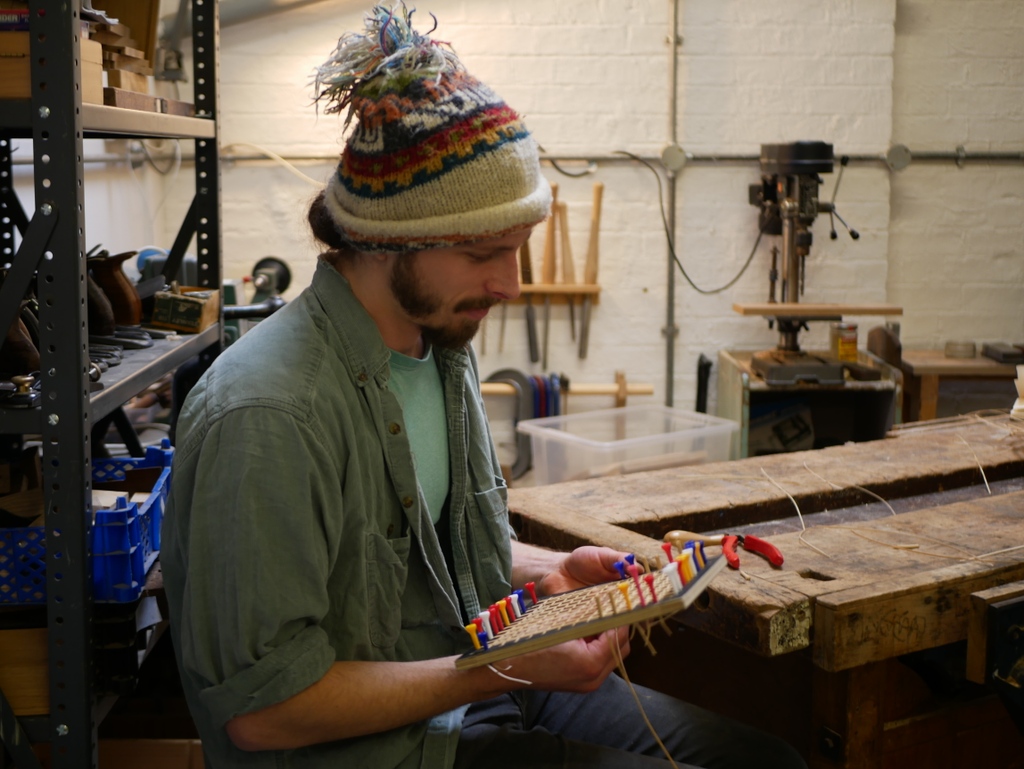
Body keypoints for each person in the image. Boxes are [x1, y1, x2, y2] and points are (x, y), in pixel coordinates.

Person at [161, 5, 808, 768]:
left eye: (521, 247)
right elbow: (264, 713)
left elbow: (429, 552)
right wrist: (504, 665)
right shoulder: (269, 414)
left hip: (474, 678)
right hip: (377, 748)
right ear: (386, 239)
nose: (511, 283)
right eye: (483, 253)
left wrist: (548, 571)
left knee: (768, 761)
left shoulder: (438, 341)